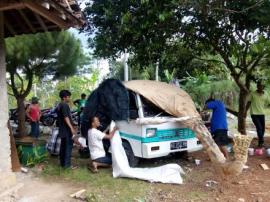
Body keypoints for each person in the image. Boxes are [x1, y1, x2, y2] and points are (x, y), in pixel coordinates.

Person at [57, 90, 77, 169]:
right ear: (64, 97)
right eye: (68, 97)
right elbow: (66, 117)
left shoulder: (59, 105)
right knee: (68, 147)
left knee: (63, 147)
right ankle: (67, 165)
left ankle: (63, 164)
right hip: (66, 130)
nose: (69, 98)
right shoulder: (64, 105)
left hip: (62, 129)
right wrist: (71, 128)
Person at [247, 81, 269, 148]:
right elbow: (248, 103)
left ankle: (260, 142)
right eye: (258, 86)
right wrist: (245, 111)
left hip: (262, 113)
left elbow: (269, 102)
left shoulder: (266, 94)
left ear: (263, 87)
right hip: (254, 113)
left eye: (261, 86)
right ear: (257, 86)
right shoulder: (252, 94)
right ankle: (261, 142)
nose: (259, 87)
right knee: (259, 128)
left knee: (262, 129)